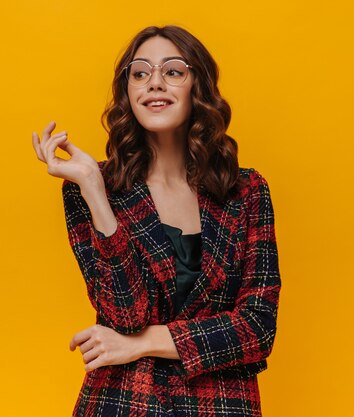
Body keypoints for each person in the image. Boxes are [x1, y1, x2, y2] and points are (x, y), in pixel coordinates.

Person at [31, 25, 281, 417]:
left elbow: (257, 328)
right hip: (124, 401)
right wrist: (95, 192)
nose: (155, 84)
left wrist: (142, 343)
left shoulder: (246, 191)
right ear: (127, 92)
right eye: (141, 73)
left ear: (197, 86)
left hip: (222, 405)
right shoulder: (97, 187)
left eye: (173, 71)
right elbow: (123, 315)